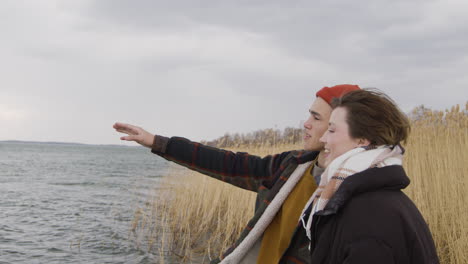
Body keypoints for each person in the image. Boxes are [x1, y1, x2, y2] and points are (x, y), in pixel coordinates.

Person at [113, 84, 360, 264]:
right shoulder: (292, 165)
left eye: (316, 117)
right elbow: (229, 164)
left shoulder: (357, 191)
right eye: (309, 114)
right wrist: (157, 142)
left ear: (338, 126)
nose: (305, 123)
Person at [300, 89, 439, 263]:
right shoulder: (377, 199)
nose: (323, 139)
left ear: (362, 140)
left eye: (332, 130)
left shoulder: (368, 216)